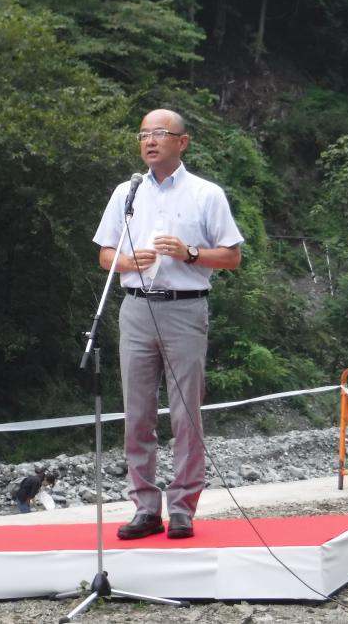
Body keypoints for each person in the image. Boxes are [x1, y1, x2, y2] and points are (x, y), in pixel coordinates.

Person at [92, 108, 244, 540]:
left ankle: (182, 507)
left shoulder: (206, 193)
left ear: (183, 141)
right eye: (143, 134)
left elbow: (232, 257)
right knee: (136, 414)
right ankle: (144, 506)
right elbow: (105, 254)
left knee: (184, 414)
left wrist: (190, 253)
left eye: (160, 133)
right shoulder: (127, 191)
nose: (150, 141)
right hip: (135, 308)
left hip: (185, 308)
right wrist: (124, 261)